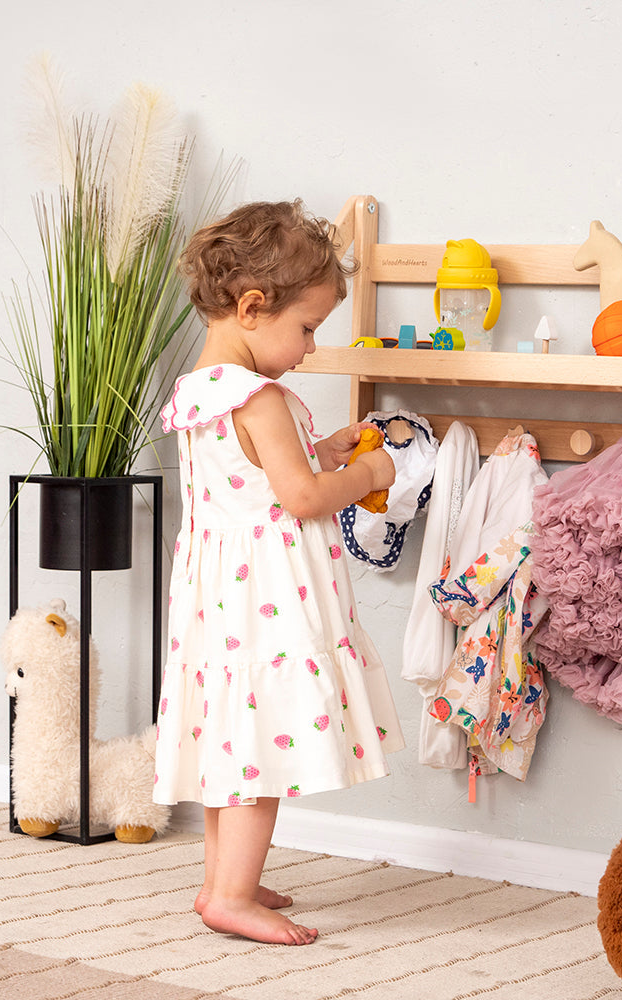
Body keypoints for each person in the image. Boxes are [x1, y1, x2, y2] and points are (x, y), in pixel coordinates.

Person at [152, 200, 402, 945]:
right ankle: (230, 895)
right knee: (258, 746)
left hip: (220, 598)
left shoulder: (200, 392)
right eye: (308, 328)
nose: (312, 348)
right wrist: (367, 475)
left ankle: (221, 880)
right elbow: (296, 497)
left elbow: (254, 476)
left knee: (231, 737)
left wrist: (323, 446)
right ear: (254, 308)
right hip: (268, 598)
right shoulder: (258, 399)